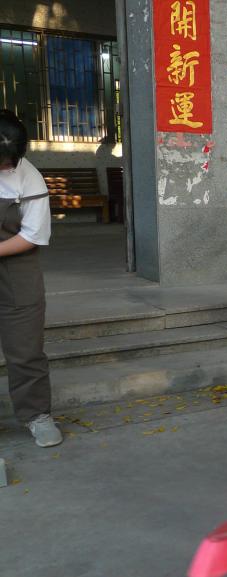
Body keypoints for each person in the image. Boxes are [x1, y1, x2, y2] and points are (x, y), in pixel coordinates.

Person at [0, 110, 62, 448]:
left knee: (25, 348)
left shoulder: (29, 177)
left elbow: (33, 235)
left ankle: (37, 415)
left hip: (16, 267)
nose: (6, 167)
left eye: (10, 162)